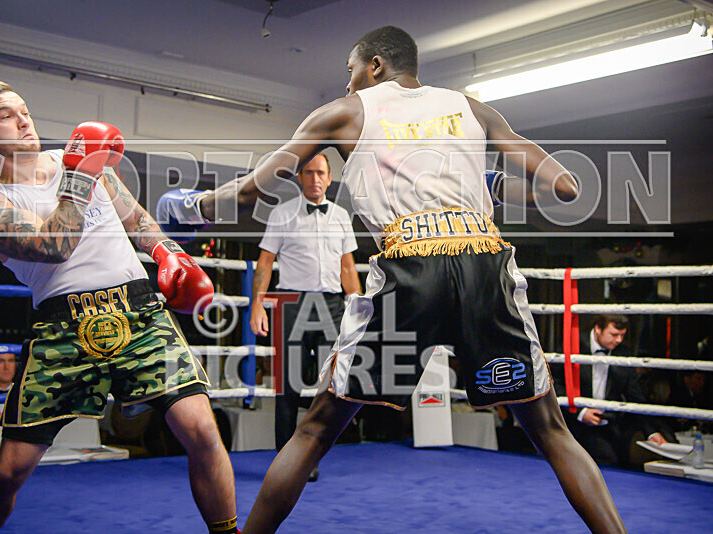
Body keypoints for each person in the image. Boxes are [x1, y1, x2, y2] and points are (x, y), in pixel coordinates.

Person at [163, 26, 627, 533]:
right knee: (551, 430)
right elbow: (562, 187)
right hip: (484, 266)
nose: (348, 83)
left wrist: (193, 207)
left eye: (351, 70)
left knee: (315, 430)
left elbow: (252, 191)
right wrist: (488, 183)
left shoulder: (345, 112)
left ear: (376, 65)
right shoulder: (472, 108)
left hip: (412, 269)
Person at [0, 81, 238, 534]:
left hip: (139, 314)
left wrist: (166, 252)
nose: (23, 121)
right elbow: (54, 246)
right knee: (9, 471)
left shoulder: (85, 160)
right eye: (5, 116)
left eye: (24, 110)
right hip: (63, 331)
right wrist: (79, 175)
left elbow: (135, 218)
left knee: (202, 429)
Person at [249, 153, 361, 481]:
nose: (315, 179)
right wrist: (257, 305)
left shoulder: (341, 216)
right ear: (300, 177)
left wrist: (356, 308)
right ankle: (285, 463)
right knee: (288, 385)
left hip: (331, 304)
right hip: (291, 303)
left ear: (329, 178)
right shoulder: (282, 214)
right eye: (309, 173)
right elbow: (265, 262)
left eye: (320, 173)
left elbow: (347, 267)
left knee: (330, 385)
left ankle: (310, 456)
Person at [553, 315, 673, 467]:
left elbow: (635, 396)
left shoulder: (623, 354)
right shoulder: (572, 346)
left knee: (615, 463)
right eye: (614, 334)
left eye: (622, 335)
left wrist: (651, 432)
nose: (619, 340)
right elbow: (554, 382)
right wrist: (580, 411)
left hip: (607, 425)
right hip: (571, 422)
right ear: (598, 329)